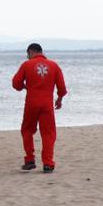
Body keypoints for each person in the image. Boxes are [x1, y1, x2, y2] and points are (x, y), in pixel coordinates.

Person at [12, 43, 67, 172]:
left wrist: (24, 87)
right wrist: (59, 99)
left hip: (31, 103)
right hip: (47, 104)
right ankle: (48, 163)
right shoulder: (54, 66)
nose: (27, 57)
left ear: (31, 52)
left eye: (28, 55)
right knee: (48, 134)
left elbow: (16, 83)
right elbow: (62, 88)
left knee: (27, 130)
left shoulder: (26, 65)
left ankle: (30, 160)